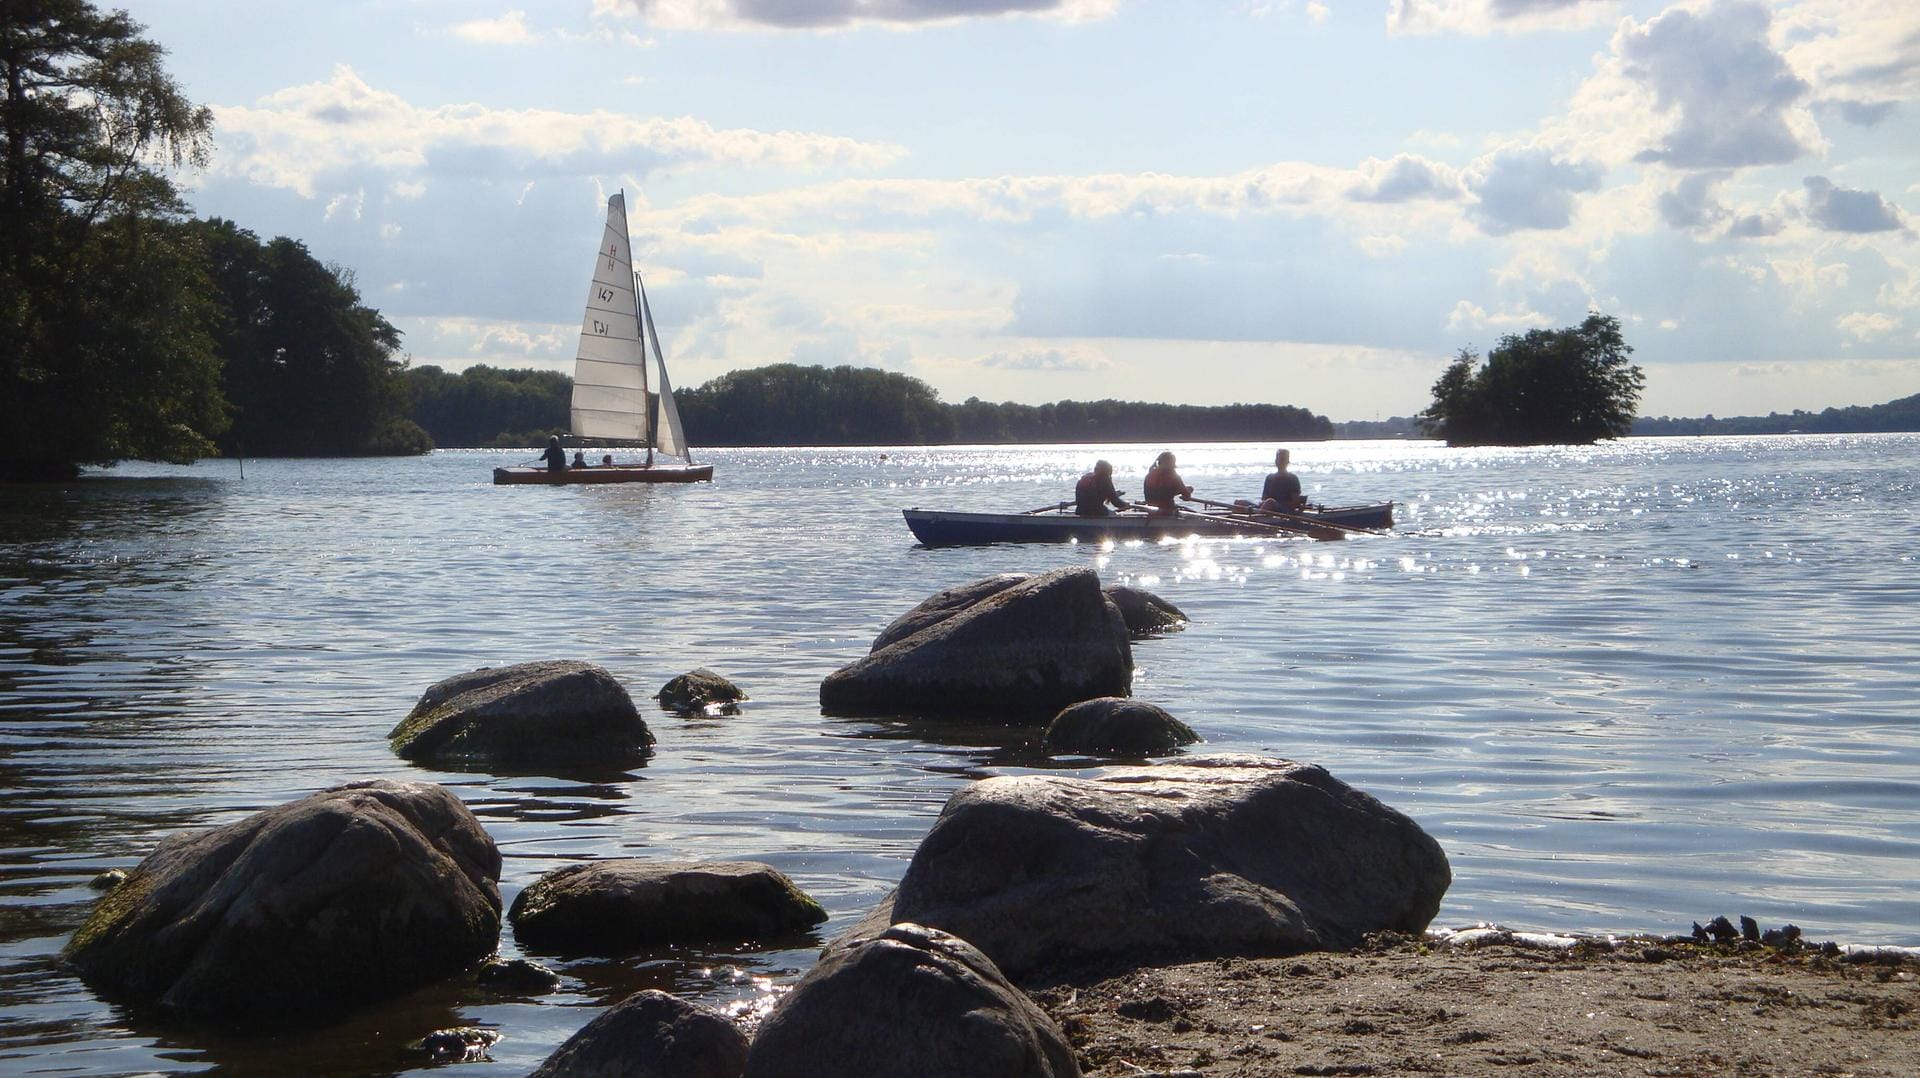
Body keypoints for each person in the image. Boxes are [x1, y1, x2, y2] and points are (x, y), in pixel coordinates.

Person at [1142, 451, 1194, 516]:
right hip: (1167, 512)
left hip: (1151, 511)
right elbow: (1186, 496)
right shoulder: (1173, 476)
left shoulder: (1150, 475)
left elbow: (1161, 492)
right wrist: (1189, 490)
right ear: (1170, 463)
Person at [1258, 448, 1306, 514]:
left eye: (1282, 460)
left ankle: (1256, 517)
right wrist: (1263, 503)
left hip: (1284, 509)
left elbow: (1295, 502)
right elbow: (1264, 498)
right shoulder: (1269, 478)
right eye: (1278, 459)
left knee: (1270, 502)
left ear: (1287, 462)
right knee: (1240, 502)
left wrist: (1276, 503)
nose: (1280, 462)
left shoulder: (1292, 479)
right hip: (1268, 507)